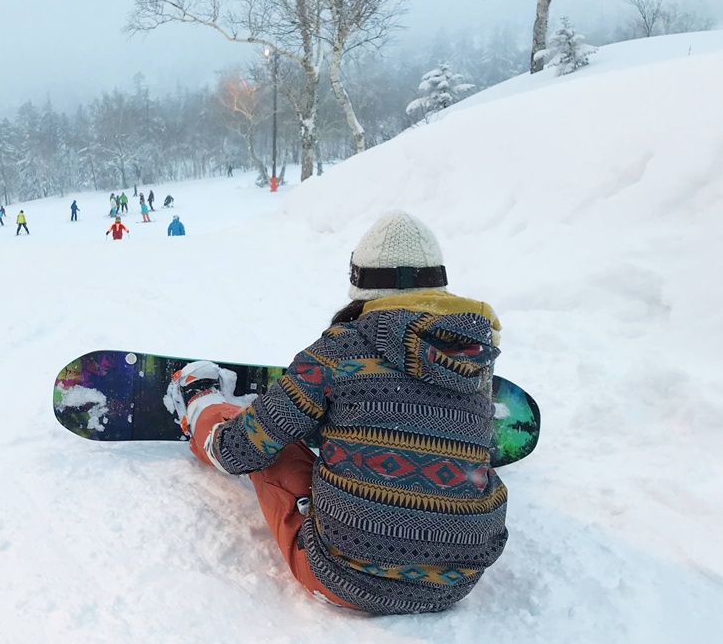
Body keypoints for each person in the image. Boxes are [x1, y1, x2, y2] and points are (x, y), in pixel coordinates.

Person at [165, 211, 507, 614]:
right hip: (455, 584)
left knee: (266, 441)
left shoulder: (339, 350)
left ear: (360, 284)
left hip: (344, 578)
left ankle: (199, 405)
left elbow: (242, 451)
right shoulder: (475, 358)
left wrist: (229, 437)